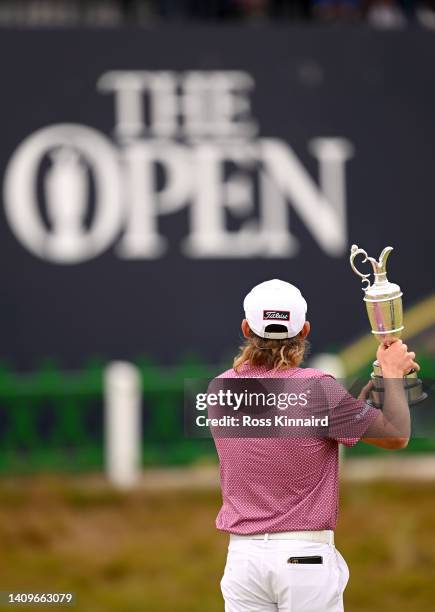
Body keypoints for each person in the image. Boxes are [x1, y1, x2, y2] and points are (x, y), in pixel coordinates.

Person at [211, 279, 418, 612]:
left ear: (247, 328)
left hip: (243, 560)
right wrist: (393, 375)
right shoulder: (317, 389)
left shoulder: (220, 388)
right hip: (303, 558)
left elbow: (312, 417)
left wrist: (377, 380)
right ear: (304, 330)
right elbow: (394, 434)